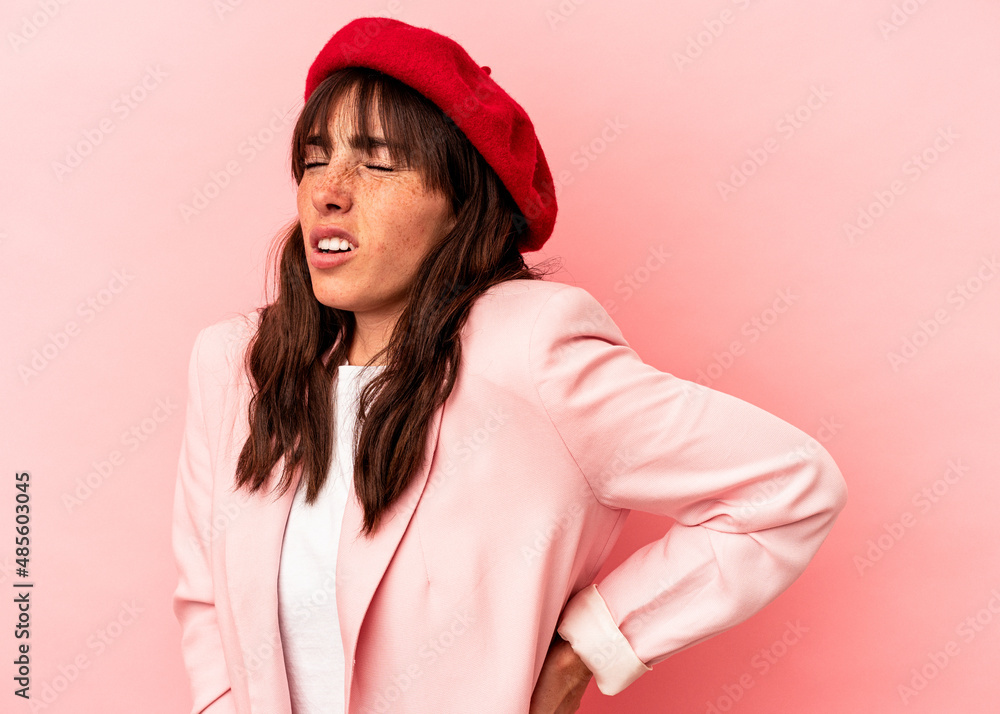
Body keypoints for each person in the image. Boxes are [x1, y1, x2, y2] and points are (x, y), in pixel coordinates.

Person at [170, 16, 848, 714]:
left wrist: (591, 645)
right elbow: (206, 607)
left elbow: (789, 485)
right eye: (315, 160)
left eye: (377, 163)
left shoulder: (530, 347)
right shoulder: (233, 367)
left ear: (462, 205)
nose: (328, 191)